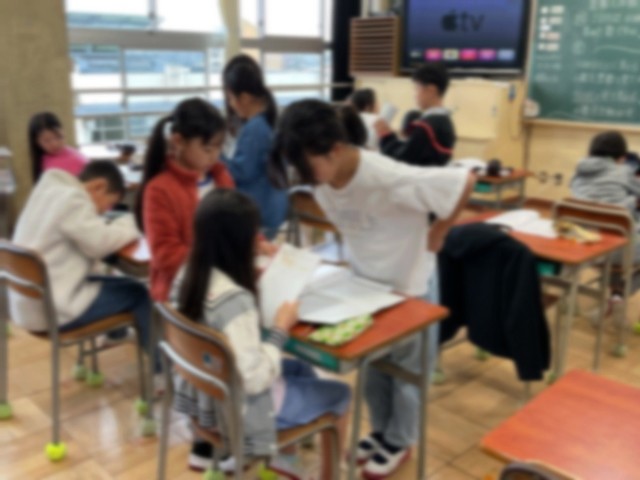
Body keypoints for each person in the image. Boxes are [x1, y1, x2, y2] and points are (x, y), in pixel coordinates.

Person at [270, 100, 474, 478]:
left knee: (407, 373)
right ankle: (381, 431)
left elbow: (464, 181)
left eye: (306, 165)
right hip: (366, 286)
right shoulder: (324, 178)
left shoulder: (387, 175)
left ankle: (401, 440)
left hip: (410, 286)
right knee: (374, 367)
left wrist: (439, 232)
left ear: (335, 149)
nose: (304, 176)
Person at [173, 189, 351, 478]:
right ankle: (333, 472)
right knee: (341, 393)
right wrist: (280, 328)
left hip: (204, 401)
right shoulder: (235, 302)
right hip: (239, 412)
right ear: (239, 242)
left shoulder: (187, 275)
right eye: (253, 234)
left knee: (302, 369)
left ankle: (286, 457)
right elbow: (254, 379)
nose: (259, 240)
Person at [10, 162, 158, 372]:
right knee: (139, 293)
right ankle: (162, 372)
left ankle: (115, 335)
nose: (103, 212)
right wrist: (133, 223)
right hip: (52, 310)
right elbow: (100, 244)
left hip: (29, 304)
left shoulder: (48, 189)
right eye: (108, 204)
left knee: (120, 283)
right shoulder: (73, 200)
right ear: (98, 187)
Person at [135, 98, 235, 302]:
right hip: (181, 289)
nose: (214, 156)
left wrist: (257, 243)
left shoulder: (221, 177)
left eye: (218, 147)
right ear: (178, 142)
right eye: (207, 148)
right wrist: (216, 259)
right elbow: (166, 255)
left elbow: (239, 221)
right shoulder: (160, 190)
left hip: (221, 278)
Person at [222, 54, 288, 239]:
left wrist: (216, 154)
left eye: (230, 98)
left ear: (244, 98)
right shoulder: (270, 118)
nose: (230, 104)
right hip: (273, 208)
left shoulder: (255, 128)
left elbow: (242, 173)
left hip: (260, 214)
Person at [374, 63, 456, 167]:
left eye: (417, 88)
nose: (415, 95)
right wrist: (390, 136)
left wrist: (386, 136)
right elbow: (411, 151)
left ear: (431, 90)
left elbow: (402, 160)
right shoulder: (444, 121)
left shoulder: (426, 126)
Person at [28, 112, 88, 183]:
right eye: (47, 141)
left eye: (59, 137)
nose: (54, 144)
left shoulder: (75, 154)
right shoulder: (42, 164)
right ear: (36, 142)